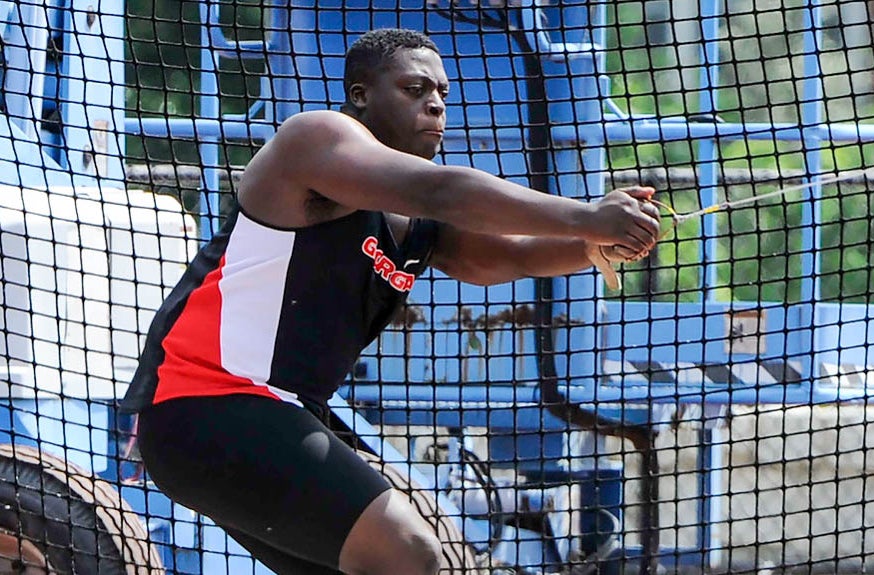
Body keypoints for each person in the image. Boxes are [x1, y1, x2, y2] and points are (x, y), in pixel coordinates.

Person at [121, 27, 660, 575]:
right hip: (209, 404)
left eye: (443, 94)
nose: (435, 103)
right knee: (407, 552)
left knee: (378, 562)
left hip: (270, 415)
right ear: (361, 94)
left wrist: (591, 243)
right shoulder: (315, 139)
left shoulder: (416, 219)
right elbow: (442, 190)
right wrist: (587, 215)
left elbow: (502, 257)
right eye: (414, 88)